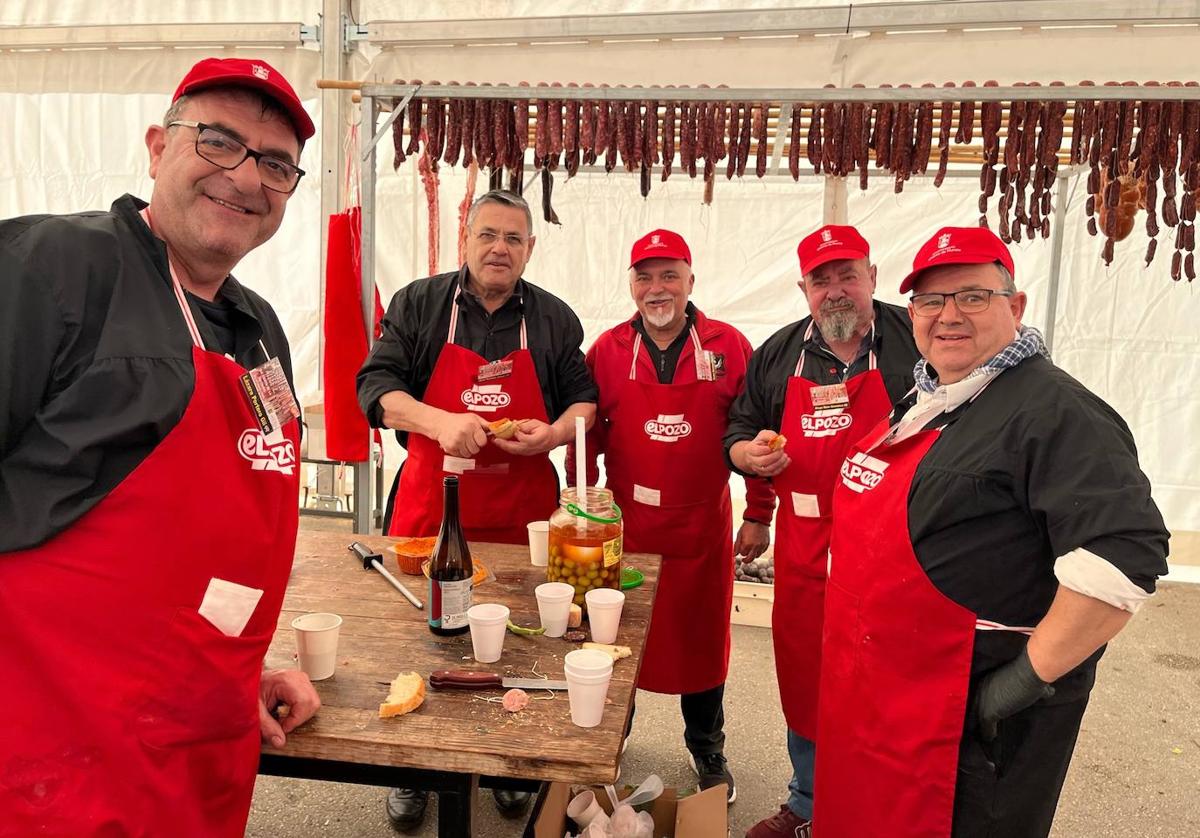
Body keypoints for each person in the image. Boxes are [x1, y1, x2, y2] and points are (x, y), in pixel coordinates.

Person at [0, 57, 320, 835]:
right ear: (156, 147)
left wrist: (225, 672)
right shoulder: (49, 269)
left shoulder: (259, 328)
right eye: (219, 142)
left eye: (276, 164)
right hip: (57, 764)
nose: (247, 178)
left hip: (200, 746)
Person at [811, 226, 1170, 838]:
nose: (948, 315)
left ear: (1016, 307)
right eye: (930, 301)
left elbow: (1120, 558)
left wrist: (1016, 686)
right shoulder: (932, 397)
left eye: (972, 297)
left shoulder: (1055, 410)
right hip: (887, 697)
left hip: (967, 725)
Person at [356, 188, 597, 829]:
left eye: (514, 239)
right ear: (465, 240)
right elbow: (375, 389)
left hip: (523, 512)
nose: (500, 248)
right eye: (488, 235)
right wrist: (437, 421)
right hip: (435, 505)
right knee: (420, 640)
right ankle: (411, 769)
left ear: (530, 248)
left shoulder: (552, 318)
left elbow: (583, 401)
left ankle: (505, 764)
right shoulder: (419, 304)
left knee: (513, 642)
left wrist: (551, 433)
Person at [725, 225, 920, 838]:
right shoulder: (779, 354)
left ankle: (882, 808)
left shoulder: (918, 340)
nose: (835, 291)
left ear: (872, 277)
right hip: (807, 547)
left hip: (894, 542)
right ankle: (807, 802)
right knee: (809, 674)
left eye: (847, 276)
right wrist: (746, 460)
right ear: (803, 288)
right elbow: (739, 427)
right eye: (821, 280)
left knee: (890, 677)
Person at [571, 229, 773, 804]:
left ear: (690, 280)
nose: (656, 288)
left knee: (702, 645)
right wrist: (581, 500)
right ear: (631, 284)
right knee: (614, 640)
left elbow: (755, 430)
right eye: (644, 276)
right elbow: (587, 433)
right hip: (626, 527)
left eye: (668, 275)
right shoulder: (607, 350)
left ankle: (708, 751)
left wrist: (759, 513)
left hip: (702, 527)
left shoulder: (728, 345)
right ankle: (607, 744)